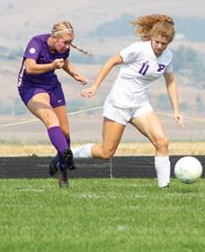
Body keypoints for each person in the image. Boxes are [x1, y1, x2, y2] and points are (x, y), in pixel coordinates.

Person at [73, 14, 183, 188]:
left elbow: (170, 81)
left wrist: (176, 110)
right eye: (157, 42)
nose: (160, 46)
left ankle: (165, 187)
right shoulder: (138, 49)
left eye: (164, 44)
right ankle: (69, 154)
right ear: (152, 38)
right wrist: (95, 86)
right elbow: (111, 62)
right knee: (106, 152)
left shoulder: (167, 56)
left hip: (140, 105)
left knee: (162, 142)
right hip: (118, 104)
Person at [17, 21, 89, 187]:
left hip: (52, 86)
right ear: (54, 37)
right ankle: (64, 170)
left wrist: (75, 75)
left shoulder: (63, 48)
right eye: (65, 42)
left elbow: (64, 62)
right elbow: (30, 68)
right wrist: (51, 65)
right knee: (51, 119)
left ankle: (59, 160)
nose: (67, 46)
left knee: (64, 132)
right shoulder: (36, 43)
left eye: (70, 43)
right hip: (31, 87)